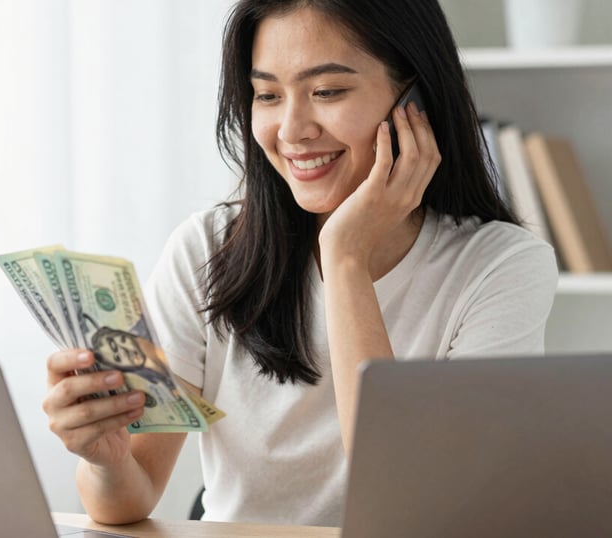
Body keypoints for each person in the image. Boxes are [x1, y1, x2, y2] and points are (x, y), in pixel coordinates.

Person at [41, 0, 558, 528]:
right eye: (267, 95)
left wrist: (346, 258)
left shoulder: (501, 267)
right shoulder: (206, 248)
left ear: (416, 100)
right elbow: (127, 502)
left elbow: (409, 508)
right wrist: (106, 460)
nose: (291, 130)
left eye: (327, 91)